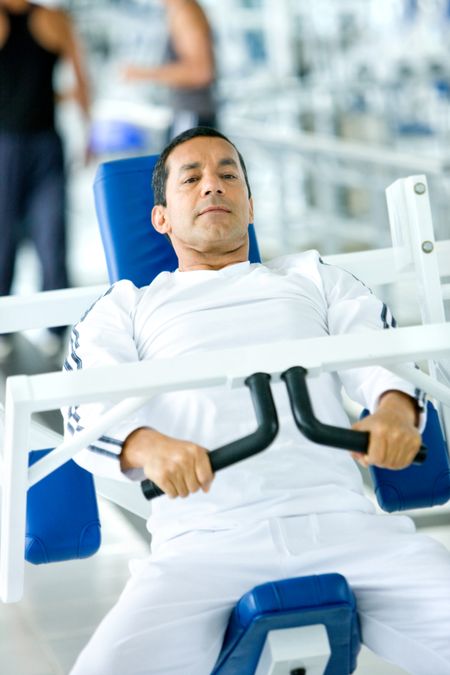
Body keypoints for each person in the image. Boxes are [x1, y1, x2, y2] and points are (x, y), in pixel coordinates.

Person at [64, 127, 450, 675]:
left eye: (228, 175)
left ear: (250, 206)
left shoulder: (312, 278)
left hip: (343, 523)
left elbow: (380, 349)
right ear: (161, 218)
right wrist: (148, 448)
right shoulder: (127, 307)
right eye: (191, 179)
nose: (212, 187)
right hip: (204, 542)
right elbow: (88, 402)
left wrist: (391, 410)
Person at [0, 0, 90, 358]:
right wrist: (88, 131)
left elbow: (80, 80)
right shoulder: (55, 20)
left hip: (26, 144)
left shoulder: (53, 19)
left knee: (46, 237)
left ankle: (49, 330)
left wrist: (89, 132)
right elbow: (80, 84)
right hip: (31, 143)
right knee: (22, 237)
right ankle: (48, 331)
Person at [122, 0, 216, 139]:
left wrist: (142, 73)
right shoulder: (177, 10)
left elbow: (201, 72)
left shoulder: (186, 12)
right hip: (185, 114)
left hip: (191, 115)